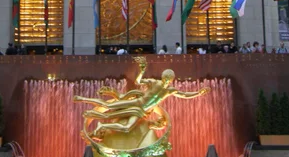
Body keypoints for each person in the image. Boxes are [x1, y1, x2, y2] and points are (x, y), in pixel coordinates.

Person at [74, 56, 210, 138]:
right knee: (108, 105)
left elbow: (184, 95)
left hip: (141, 112)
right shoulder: (153, 82)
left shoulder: (170, 90)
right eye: (166, 77)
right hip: (136, 102)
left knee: (127, 127)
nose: (168, 79)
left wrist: (198, 93)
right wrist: (142, 70)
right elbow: (139, 81)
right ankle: (82, 99)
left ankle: (102, 126)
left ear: (172, 79)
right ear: (163, 77)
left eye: (170, 78)